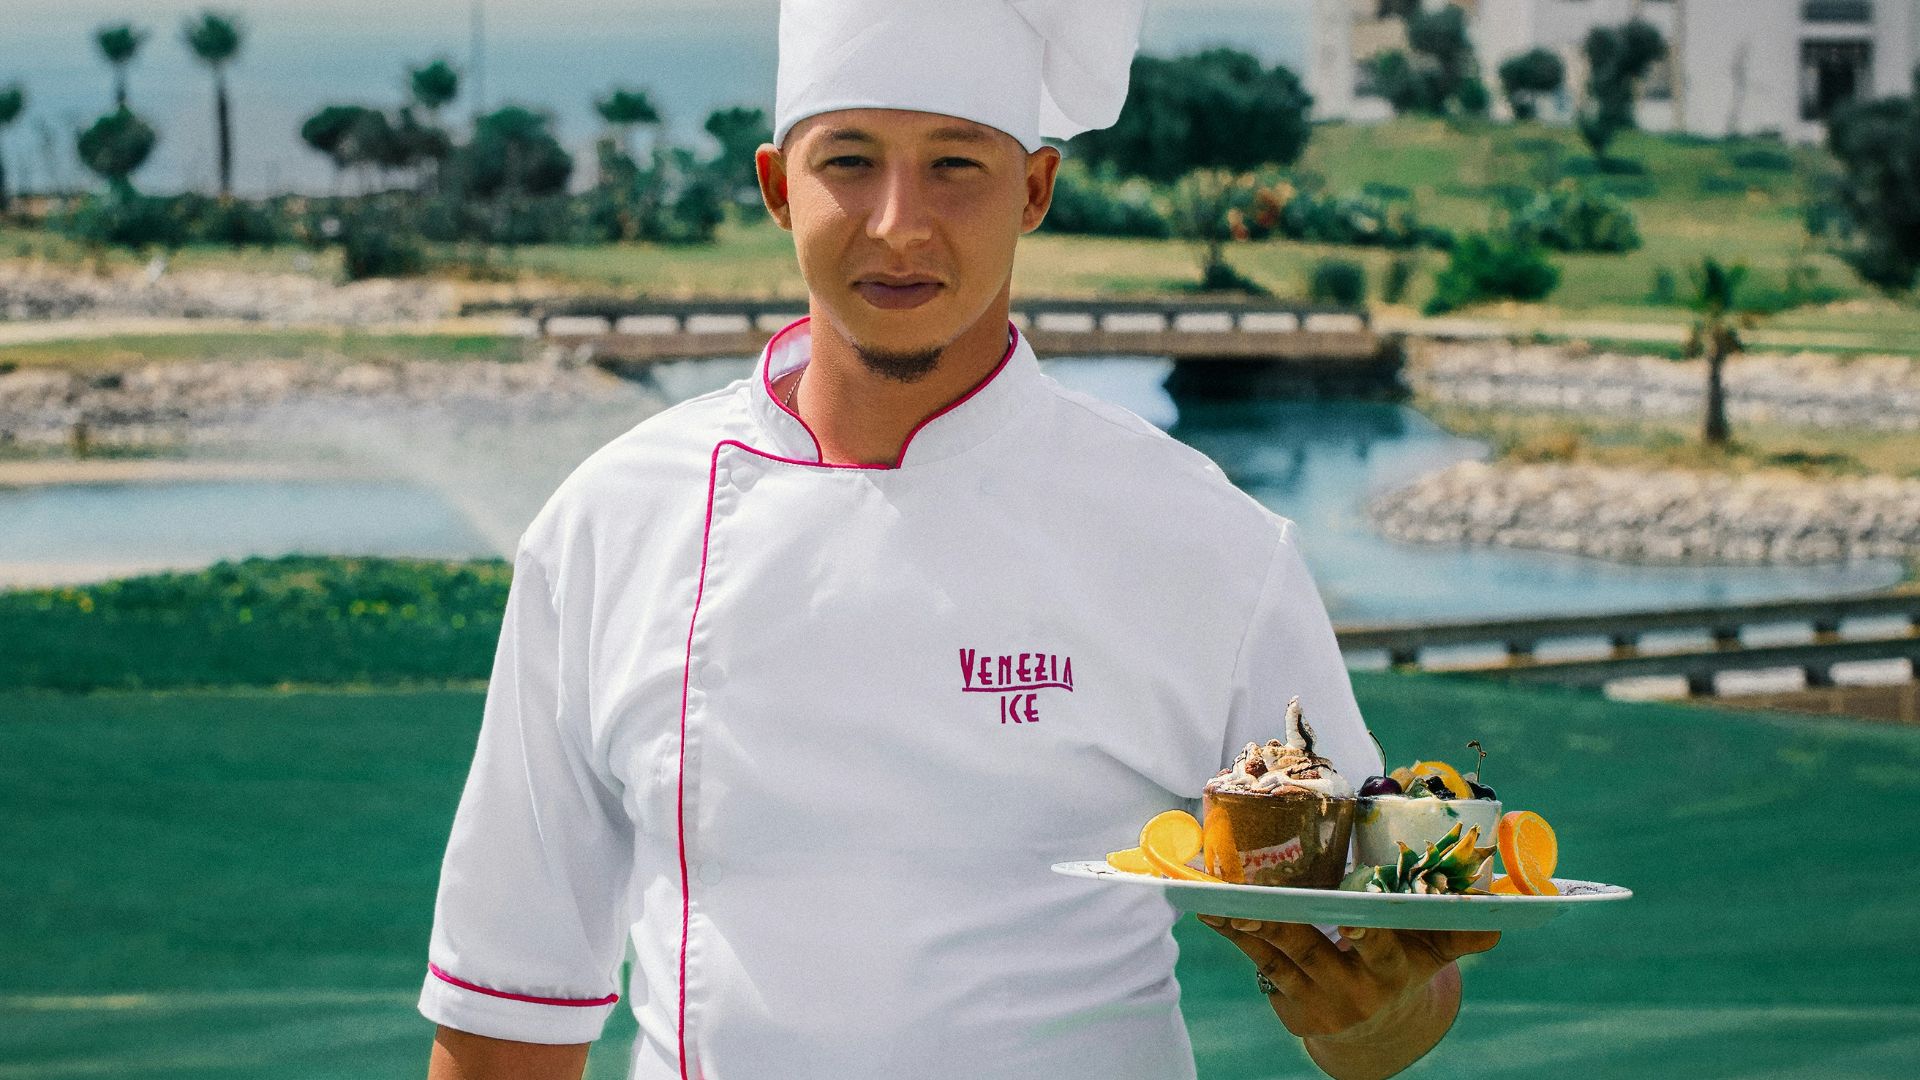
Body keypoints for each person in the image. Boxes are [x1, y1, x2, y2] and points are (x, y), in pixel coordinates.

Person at [419, 2, 1498, 1078]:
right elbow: (507, 1005)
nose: (899, 224)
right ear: (779, 187)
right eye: (850, 162)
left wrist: (1366, 1011)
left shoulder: (1204, 540)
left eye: (955, 165)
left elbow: (1381, 974)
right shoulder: (611, 523)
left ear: (1034, 189)